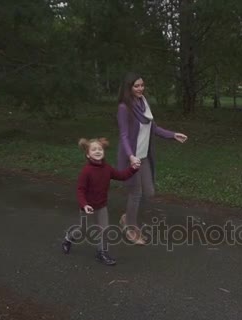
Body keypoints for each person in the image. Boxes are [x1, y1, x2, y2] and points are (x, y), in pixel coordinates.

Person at [116, 72, 188, 244]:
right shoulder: (124, 108)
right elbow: (124, 135)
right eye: (136, 86)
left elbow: (153, 128)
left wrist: (173, 135)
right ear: (129, 88)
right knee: (135, 193)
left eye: (142, 85)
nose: (140, 88)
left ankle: (127, 217)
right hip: (131, 158)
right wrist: (131, 156)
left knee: (149, 192)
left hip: (144, 156)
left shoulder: (143, 104)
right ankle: (131, 228)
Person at [62, 137, 139, 266]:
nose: (97, 151)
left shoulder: (107, 168)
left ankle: (101, 253)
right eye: (94, 149)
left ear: (103, 152)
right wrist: (84, 204)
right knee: (83, 230)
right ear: (88, 154)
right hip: (88, 207)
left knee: (104, 230)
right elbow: (80, 190)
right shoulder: (86, 171)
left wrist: (133, 168)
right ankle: (68, 239)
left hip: (101, 206)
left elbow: (121, 176)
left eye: (100, 149)